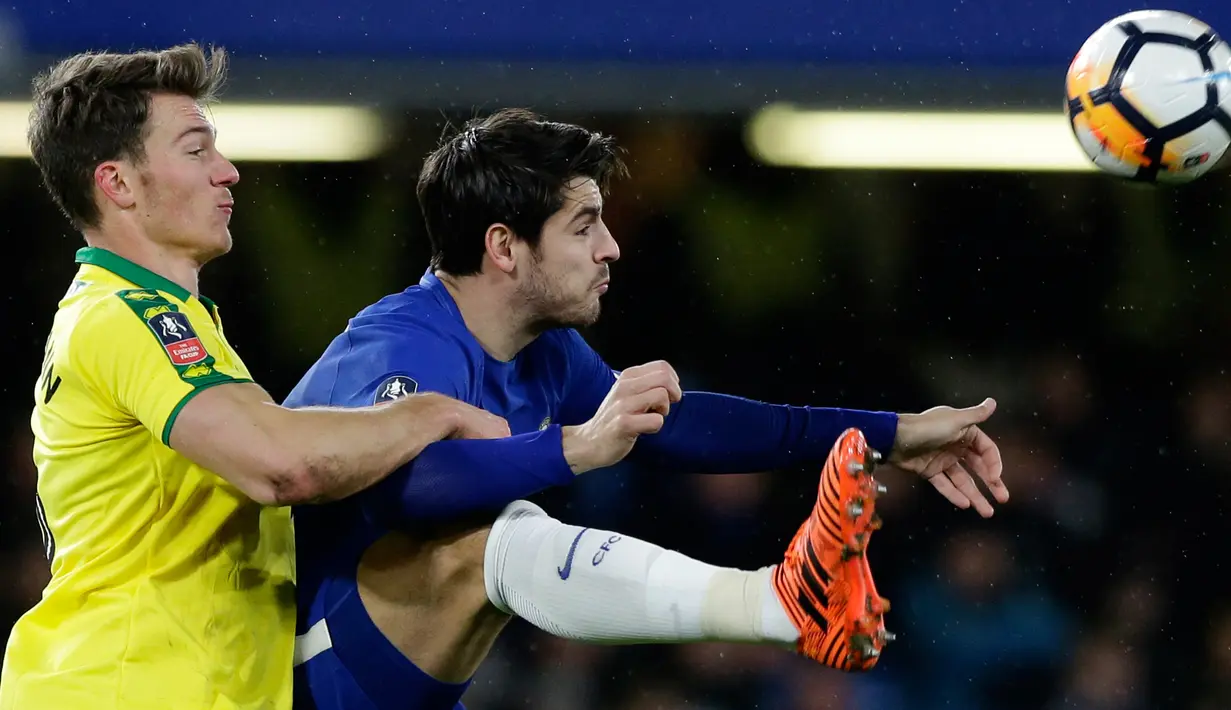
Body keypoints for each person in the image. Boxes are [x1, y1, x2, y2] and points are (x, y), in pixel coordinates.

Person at [284, 108, 1009, 710]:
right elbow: (401, 483)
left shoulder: (546, 350)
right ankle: (777, 605)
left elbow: (681, 428)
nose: (612, 247)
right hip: (287, 667)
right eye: (583, 226)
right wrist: (574, 445)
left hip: (390, 675)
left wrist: (893, 432)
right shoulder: (398, 344)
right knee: (483, 537)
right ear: (503, 247)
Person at [0, 44, 506, 710]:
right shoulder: (125, 315)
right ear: (117, 184)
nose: (229, 172)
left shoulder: (168, 321)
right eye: (195, 151)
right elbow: (280, 464)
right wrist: (431, 413)